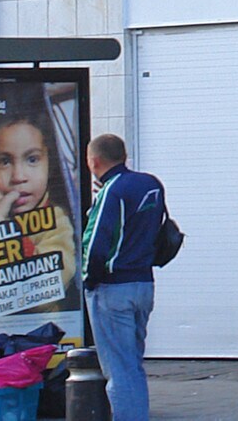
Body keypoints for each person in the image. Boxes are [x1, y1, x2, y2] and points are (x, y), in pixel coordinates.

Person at [79, 135, 164, 421]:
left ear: (94, 161)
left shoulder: (112, 192)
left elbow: (96, 242)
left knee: (118, 368)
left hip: (113, 289)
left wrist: (89, 281)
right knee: (132, 364)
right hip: (143, 284)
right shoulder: (150, 184)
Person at [0, 95, 78, 299]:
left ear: (49, 163)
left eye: (32, 159)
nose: (18, 177)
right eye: (4, 161)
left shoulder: (57, 221)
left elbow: (41, 292)